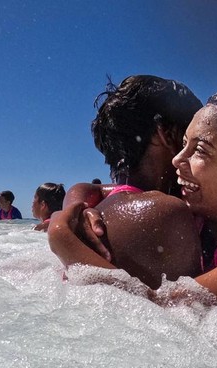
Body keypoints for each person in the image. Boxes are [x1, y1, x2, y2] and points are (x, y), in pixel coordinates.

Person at [51, 89, 217, 315]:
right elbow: (97, 188)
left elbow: (165, 312)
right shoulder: (207, 207)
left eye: (199, 150)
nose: (177, 159)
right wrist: (75, 206)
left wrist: (64, 240)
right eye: (183, 144)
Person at [49, 74, 203, 289]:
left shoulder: (101, 206)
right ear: (166, 133)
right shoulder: (164, 212)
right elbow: (189, 314)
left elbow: (89, 187)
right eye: (193, 136)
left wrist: (71, 208)